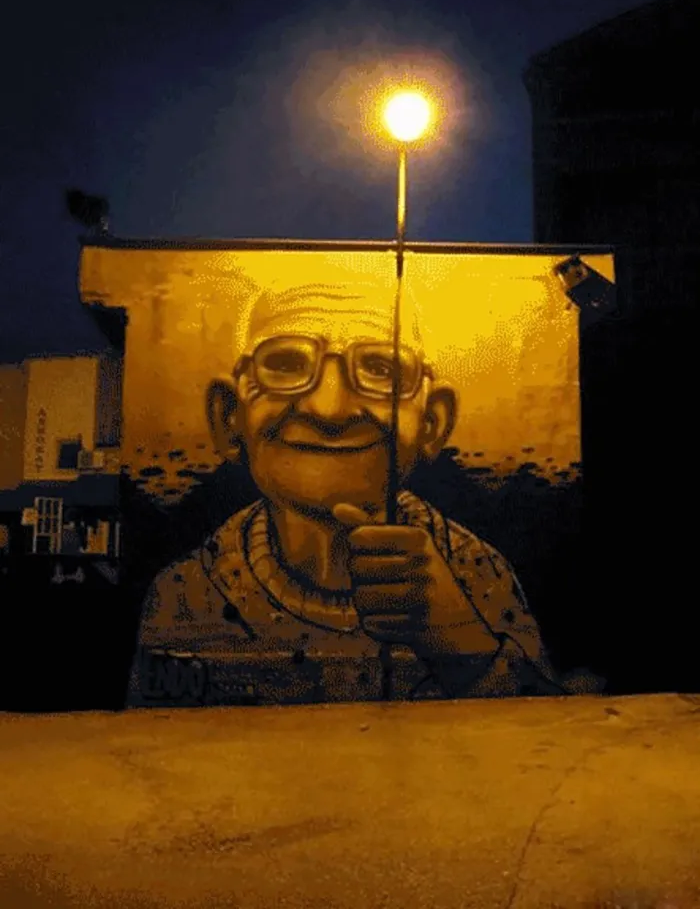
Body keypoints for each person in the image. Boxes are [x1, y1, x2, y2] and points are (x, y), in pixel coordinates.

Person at [127, 268, 567, 707]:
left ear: (432, 422)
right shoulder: (189, 592)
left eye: (379, 368)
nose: (329, 409)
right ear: (229, 416)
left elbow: (543, 733)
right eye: (286, 365)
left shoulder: (474, 574)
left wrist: (460, 639)